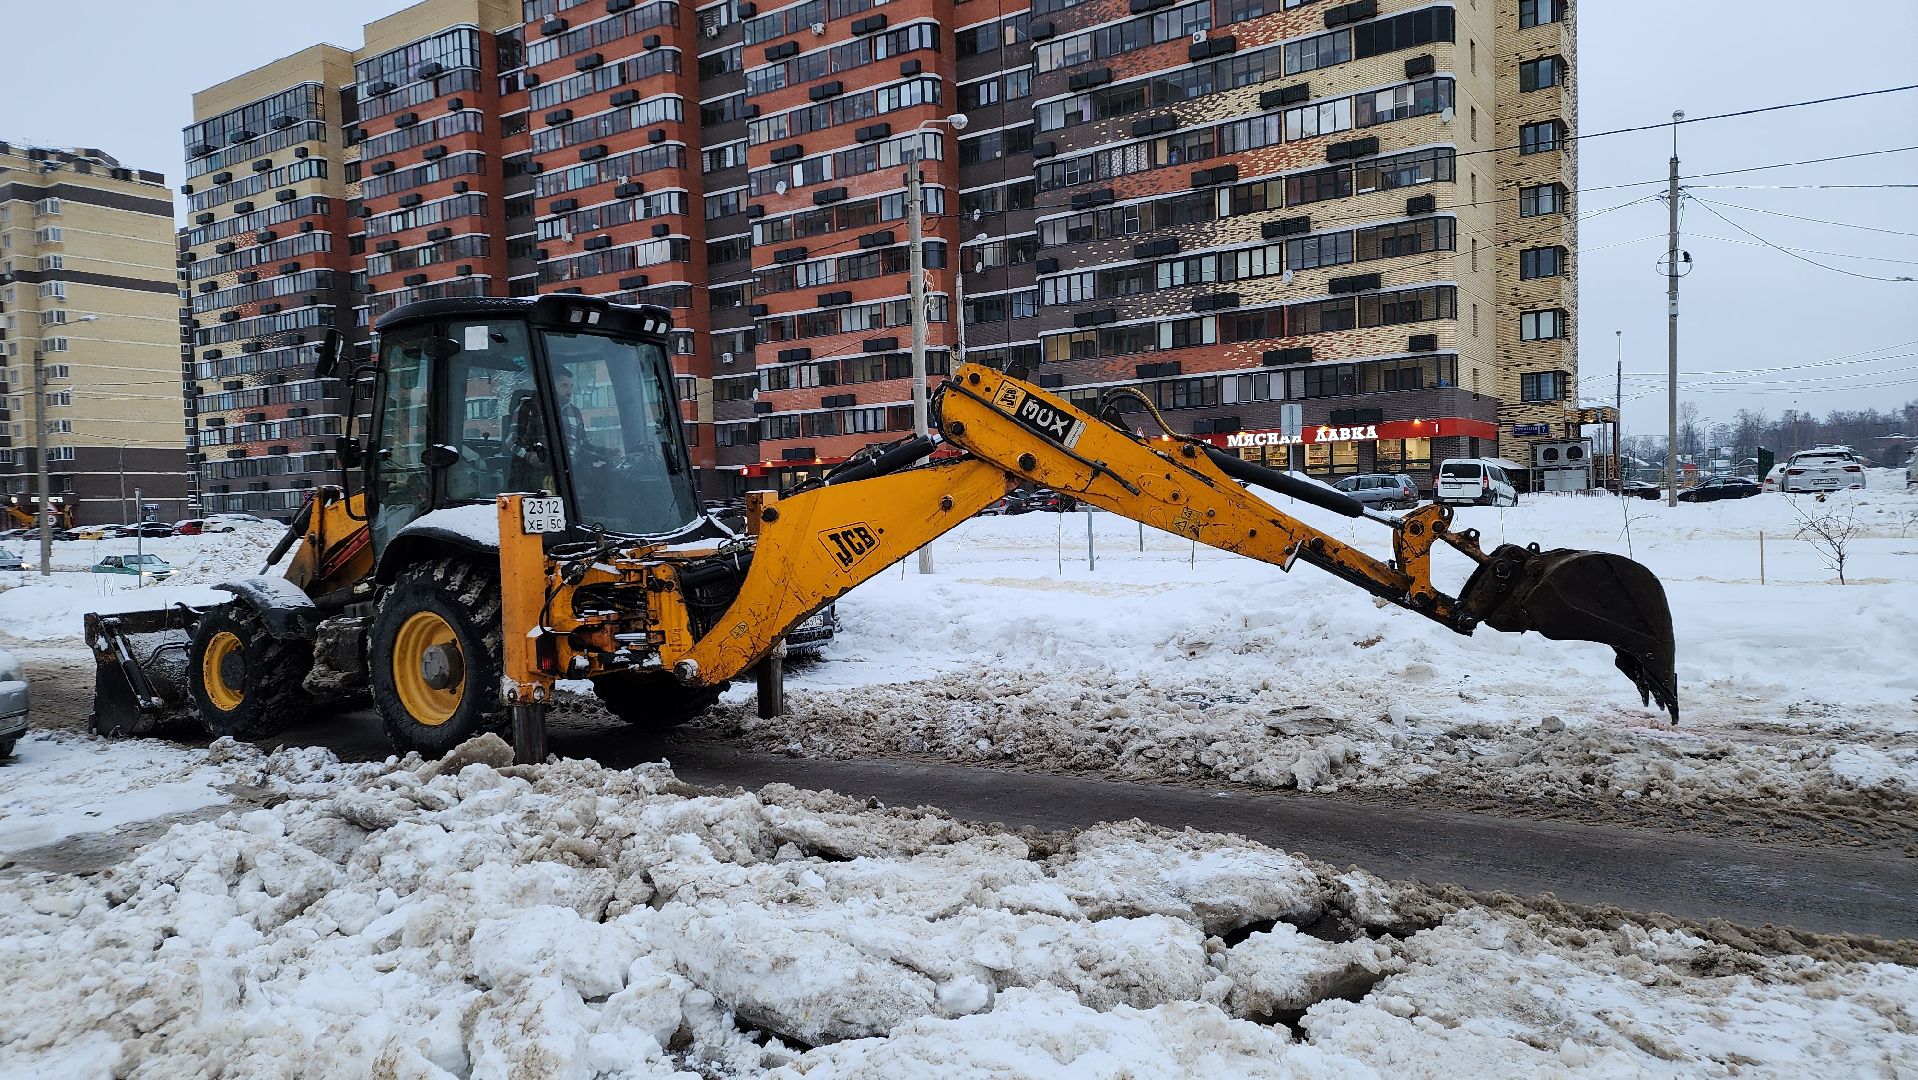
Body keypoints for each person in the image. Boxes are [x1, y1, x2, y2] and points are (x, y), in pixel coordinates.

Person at [511, 367, 604, 489]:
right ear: (549, 385)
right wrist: (529, 455)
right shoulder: (529, 408)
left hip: (574, 478)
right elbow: (512, 440)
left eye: (571, 386)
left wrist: (604, 453)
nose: (569, 391)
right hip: (540, 478)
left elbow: (582, 446)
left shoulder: (574, 412)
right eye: (564, 385)